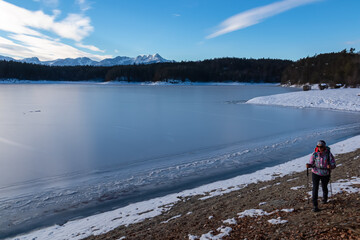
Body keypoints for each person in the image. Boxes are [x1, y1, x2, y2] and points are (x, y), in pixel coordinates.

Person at [306, 140, 336, 212]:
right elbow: (311, 162)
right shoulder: (315, 154)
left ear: (324, 146)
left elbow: (334, 164)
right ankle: (315, 206)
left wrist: (330, 166)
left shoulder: (328, 154)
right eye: (318, 146)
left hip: (325, 173)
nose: (319, 148)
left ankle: (325, 199)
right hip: (315, 172)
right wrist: (309, 165)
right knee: (315, 188)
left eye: (321, 146)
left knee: (324, 186)